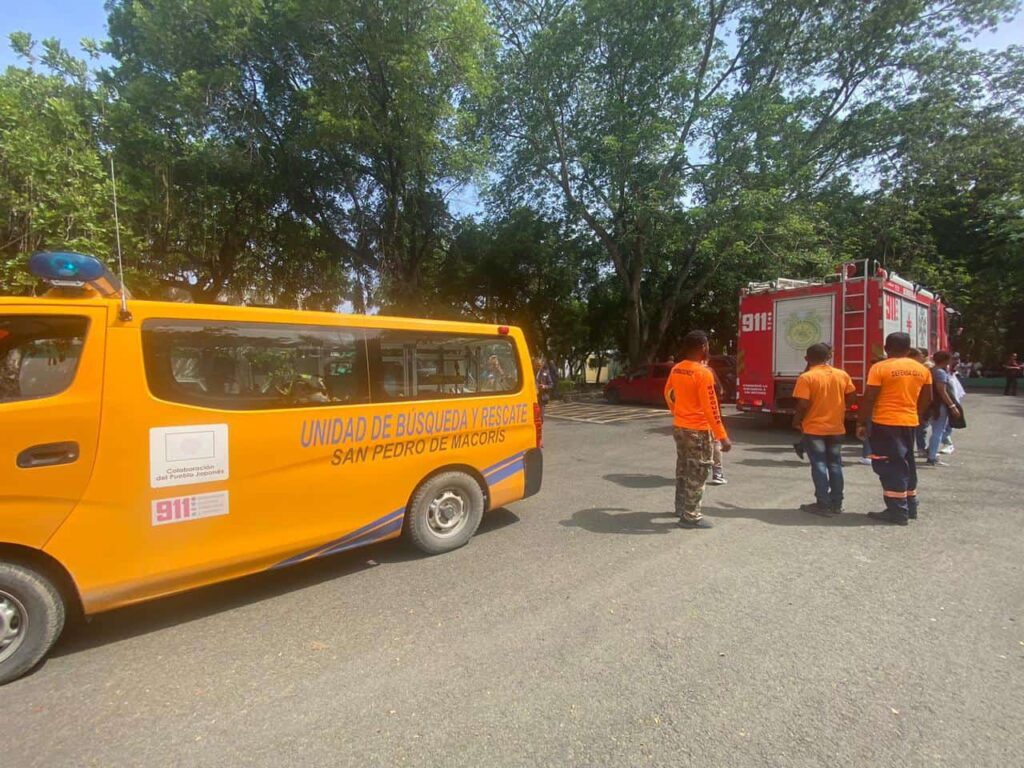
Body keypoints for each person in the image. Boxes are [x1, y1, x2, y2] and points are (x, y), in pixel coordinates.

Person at [857, 332, 933, 526]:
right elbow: (927, 398)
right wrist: (916, 414)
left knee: (890, 466)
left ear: (885, 347)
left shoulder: (879, 367)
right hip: (909, 422)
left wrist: (862, 423)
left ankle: (897, 512)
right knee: (907, 463)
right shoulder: (921, 369)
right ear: (908, 349)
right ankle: (910, 507)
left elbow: (870, 397)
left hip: (885, 423)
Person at [664, 330, 732, 530]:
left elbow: (668, 393)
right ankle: (691, 517)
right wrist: (723, 436)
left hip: (680, 427)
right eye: (708, 345)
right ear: (703, 347)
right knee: (699, 472)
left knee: (683, 468)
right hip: (698, 431)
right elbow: (711, 408)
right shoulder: (703, 373)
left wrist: (677, 412)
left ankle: (681, 507)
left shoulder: (676, 369)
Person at [792, 343, 856, 516]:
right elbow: (852, 396)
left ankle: (822, 504)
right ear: (829, 357)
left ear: (806, 359)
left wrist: (796, 421)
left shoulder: (806, 378)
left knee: (819, 464)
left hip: (814, 429)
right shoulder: (842, 374)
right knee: (835, 464)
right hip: (836, 428)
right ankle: (837, 503)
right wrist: (841, 409)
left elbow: (803, 404)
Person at [925, 351, 962, 467]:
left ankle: (931, 454)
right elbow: (942, 391)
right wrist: (952, 406)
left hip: (933, 404)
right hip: (940, 405)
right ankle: (932, 456)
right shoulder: (940, 373)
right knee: (938, 430)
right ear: (946, 360)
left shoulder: (931, 371)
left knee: (936, 429)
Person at [708, 365, 728, 485]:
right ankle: (717, 474)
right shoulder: (708, 371)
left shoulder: (681, 370)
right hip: (710, 414)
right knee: (716, 442)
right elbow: (720, 390)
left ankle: (692, 474)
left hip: (690, 418)